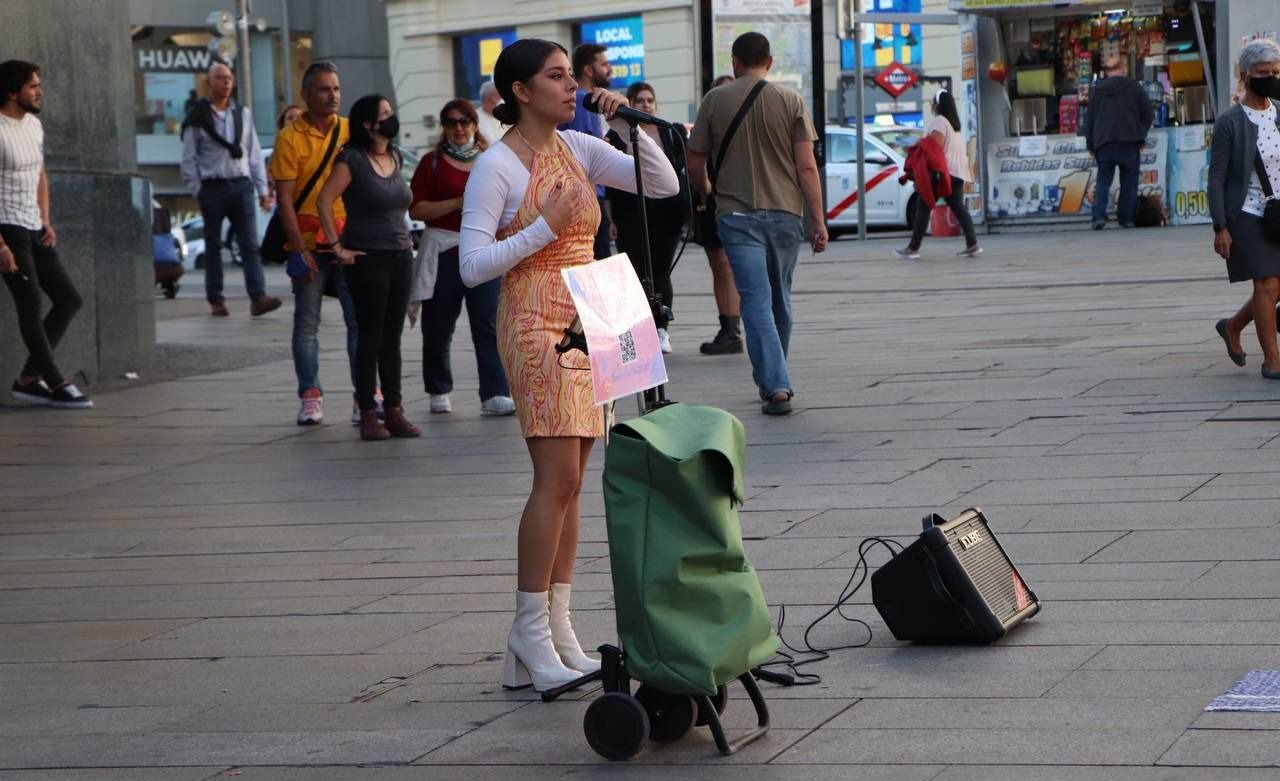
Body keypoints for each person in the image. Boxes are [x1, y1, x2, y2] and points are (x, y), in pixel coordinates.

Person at [458, 38, 677, 693]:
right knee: (554, 478)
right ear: (521, 91)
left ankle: (556, 627)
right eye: (555, 77)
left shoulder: (578, 146)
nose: (570, 86)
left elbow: (662, 184)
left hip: (592, 314)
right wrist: (541, 228)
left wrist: (625, 124)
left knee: (576, 479)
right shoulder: (496, 166)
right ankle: (530, 628)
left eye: (569, 76)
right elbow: (471, 266)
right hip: (534, 318)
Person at [687, 32, 827, 416]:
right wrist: (818, 220)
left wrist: (707, 192)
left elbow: (694, 161)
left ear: (734, 62)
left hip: (736, 216)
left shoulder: (714, 100)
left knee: (755, 299)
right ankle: (774, 377)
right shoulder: (791, 100)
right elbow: (806, 167)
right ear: (770, 61)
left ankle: (774, 380)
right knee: (780, 297)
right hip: (785, 214)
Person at [315, 94, 420, 441]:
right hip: (367, 257)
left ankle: (394, 409)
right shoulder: (353, 160)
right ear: (368, 123)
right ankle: (367, 413)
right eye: (384, 114)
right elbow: (324, 200)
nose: (391, 118)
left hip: (400, 254)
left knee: (393, 337)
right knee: (370, 336)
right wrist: (337, 248)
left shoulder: (394, 156)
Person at [409, 99, 516, 417]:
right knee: (438, 326)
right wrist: (457, 202)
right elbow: (416, 210)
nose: (459, 128)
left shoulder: (491, 158)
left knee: (489, 324)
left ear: (474, 124)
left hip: (483, 251)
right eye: (451, 122)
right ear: (443, 127)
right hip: (444, 252)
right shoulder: (431, 163)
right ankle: (438, 389)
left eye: (465, 121)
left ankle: (495, 393)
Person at [271, 61, 360, 426]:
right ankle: (310, 394)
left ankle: (366, 395)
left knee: (359, 322)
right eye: (324, 89)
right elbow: (284, 200)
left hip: (348, 242)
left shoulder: (351, 131)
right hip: (309, 243)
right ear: (306, 94)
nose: (333, 95)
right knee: (306, 323)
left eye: (336, 88)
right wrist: (300, 249)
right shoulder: (289, 138)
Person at [0, 59, 92, 409]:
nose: (40, 91)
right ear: (13, 92)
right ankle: (55, 381)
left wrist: (45, 220)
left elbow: (40, 175)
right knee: (31, 302)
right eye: (33, 86)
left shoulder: (34, 125)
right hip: (6, 226)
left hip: (33, 224)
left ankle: (28, 379)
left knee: (69, 299)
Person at [180, 62, 281, 318]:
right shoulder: (197, 117)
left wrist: (263, 191)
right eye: (219, 78)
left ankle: (258, 297)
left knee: (249, 243)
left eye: (228, 78)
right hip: (212, 187)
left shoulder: (242, 114)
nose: (225, 82)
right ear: (208, 82)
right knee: (213, 245)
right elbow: (189, 159)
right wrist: (198, 190)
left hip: (241, 185)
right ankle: (216, 299)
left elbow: (253, 153)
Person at [1209, 39, 1280, 379]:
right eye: (1263, 72)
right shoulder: (1230, 122)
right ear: (1245, 75)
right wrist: (1220, 226)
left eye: (1276, 71)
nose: (1271, 78)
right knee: (1266, 283)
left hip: (1279, 212)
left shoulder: (1279, 111)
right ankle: (1272, 361)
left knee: (1275, 286)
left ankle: (1233, 326)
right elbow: (1216, 177)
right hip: (1247, 212)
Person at [604, 81, 688, 354]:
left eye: (650, 100)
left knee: (661, 270)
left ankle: (661, 327)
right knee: (635, 271)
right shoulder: (617, 134)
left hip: (666, 212)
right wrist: (611, 219)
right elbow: (609, 183)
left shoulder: (670, 132)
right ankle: (640, 328)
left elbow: (681, 170)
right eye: (639, 100)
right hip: (630, 212)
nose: (646, 105)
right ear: (629, 103)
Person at [894, 89, 981, 259]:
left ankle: (913, 248)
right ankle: (972, 244)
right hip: (957, 172)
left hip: (943, 173)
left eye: (932, 102)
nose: (931, 106)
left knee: (923, 206)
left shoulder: (940, 122)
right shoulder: (953, 125)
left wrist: (914, 147)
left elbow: (933, 148)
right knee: (958, 208)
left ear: (938, 105)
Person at [696, 74, 744, 356]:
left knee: (726, 265)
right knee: (718, 264)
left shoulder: (742, 124)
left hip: (729, 199)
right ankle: (727, 327)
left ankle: (732, 330)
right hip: (713, 199)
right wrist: (705, 192)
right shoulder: (710, 121)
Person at [1084, 55, 1154, 230]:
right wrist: (1140, 134)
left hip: (1104, 142)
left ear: (1107, 72)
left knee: (1103, 181)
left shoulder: (1097, 90)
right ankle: (1126, 218)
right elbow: (1148, 113)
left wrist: (1091, 144)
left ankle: (1098, 217)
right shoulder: (1134, 87)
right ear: (1123, 68)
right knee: (1129, 182)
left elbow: (1089, 120)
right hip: (1129, 141)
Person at [558, 43, 614, 260]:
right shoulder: (582, 100)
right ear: (589, 70)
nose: (610, 69)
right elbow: (583, 154)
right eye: (604, 64)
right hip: (587, 196)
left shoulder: (583, 100)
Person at [476, 81, 504, 145]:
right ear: (489, 100)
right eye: (499, 97)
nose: (502, 100)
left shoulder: (505, 116)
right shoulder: (475, 118)